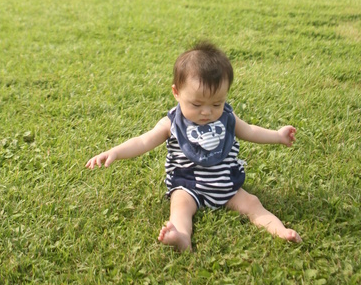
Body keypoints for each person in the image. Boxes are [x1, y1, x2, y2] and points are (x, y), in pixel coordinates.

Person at [85, 42, 301, 252]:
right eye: (196, 104)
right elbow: (143, 141)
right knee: (180, 207)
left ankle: (280, 230)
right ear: (176, 92)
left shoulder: (227, 117)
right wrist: (115, 152)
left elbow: (251, 131)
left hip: (225, 184)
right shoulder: (172, 123)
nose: (207, 112)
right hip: (188, 185)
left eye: (216, 103)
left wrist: (277, 136)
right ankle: (181, 236)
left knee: (252, 203)